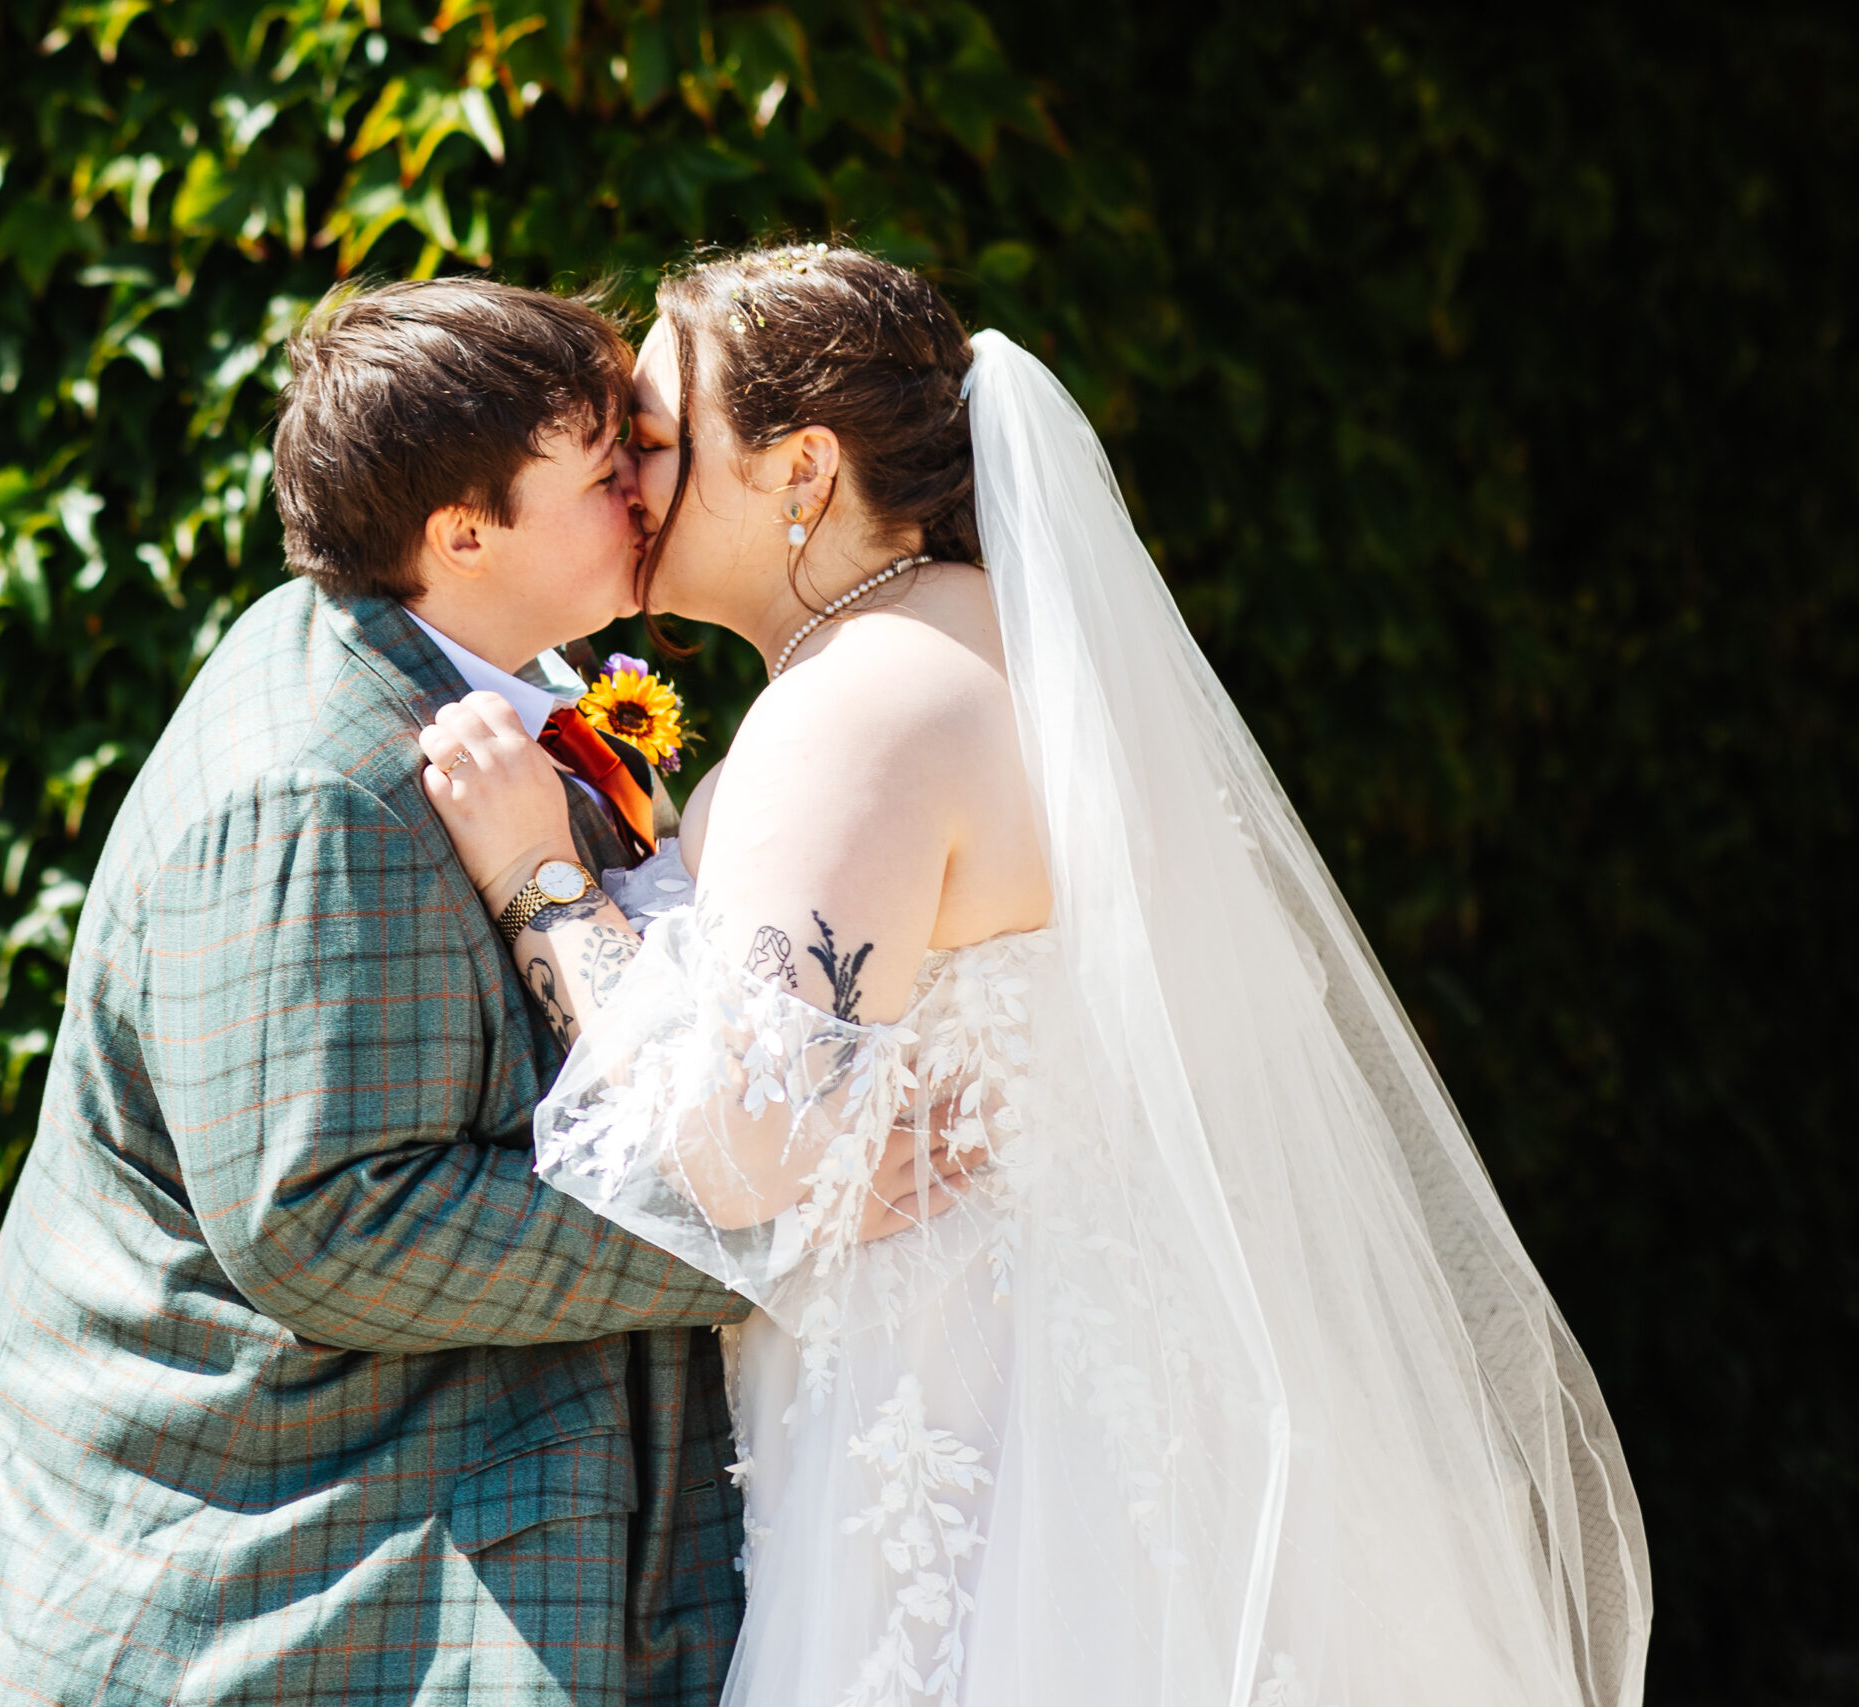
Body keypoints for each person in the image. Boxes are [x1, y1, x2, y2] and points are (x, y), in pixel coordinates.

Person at [416, 245, 1653, 1707]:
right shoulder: (1002, 647)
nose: (630, 477)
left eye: (666, 444)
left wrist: (537, 879)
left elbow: (743, 1144)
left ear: (802, 469)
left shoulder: (855, 707)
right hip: (1114, 1408)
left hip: (981, 1474)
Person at [0, 275, 961, 1707]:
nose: (645, 493)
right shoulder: (315, 791)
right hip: (242, 1599)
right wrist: (756, 1222)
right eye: (603, 471)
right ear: (464, 531)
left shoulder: (472, 676)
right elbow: (321, 1220)